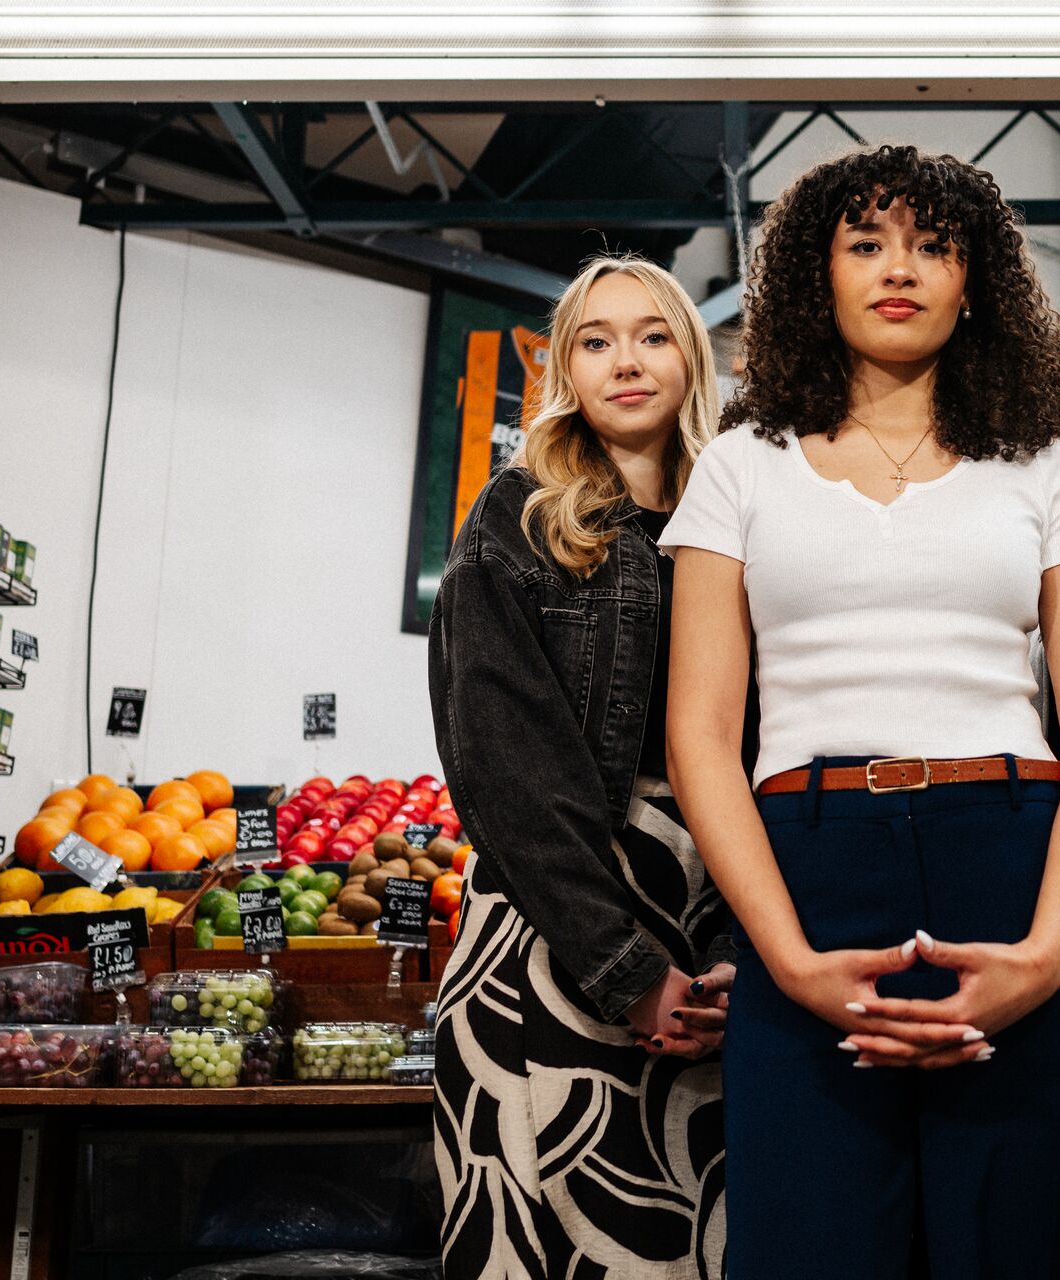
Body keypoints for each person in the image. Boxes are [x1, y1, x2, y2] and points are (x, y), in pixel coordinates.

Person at [663, 144, 1060, 1279]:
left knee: (1032, 1244)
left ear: (974, 282)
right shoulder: (740, 464)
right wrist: (786, 957)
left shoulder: (1045, 465)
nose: (901, 268)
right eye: (866, 243)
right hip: (808, 881)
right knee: (813, 1247)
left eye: (934, 246)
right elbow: (700, 733)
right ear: (813, 277)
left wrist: (1048, 951)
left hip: (1018, 865)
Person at [427, 256, 737, 1278]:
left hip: (712, 908)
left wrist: (746, 943)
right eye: (595, 340)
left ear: (690, 357)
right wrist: (625, 967)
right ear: (565, 367)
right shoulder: (515, 517)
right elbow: (503, 762)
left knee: (700, 1233)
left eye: (652, 335)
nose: (626, 361)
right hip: (552, 916)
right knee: (545, 1244)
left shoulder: (742, 518)